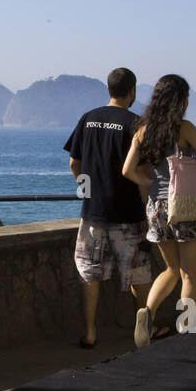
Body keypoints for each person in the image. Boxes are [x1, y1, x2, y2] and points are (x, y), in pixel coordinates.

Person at [122, 74, 196, 344]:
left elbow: (127, 170)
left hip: (156, 208)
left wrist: (152, 184)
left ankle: (147, 311)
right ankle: (187, 333)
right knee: (190, 274)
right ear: (180, 100)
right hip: (185, 206)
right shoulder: (186, 129)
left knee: (171, 269)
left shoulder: (142, 130)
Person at [64, 67, 153, 349]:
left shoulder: (88, 119)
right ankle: (146, 333)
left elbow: (74, 163)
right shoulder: (136, 123)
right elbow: (141, 171)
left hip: (92, 213)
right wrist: (147, 205)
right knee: (138, 273)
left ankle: (90, 333)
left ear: (108, 90)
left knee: (90, 273)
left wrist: (87, 191)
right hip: (127, 212)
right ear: (133, 91)